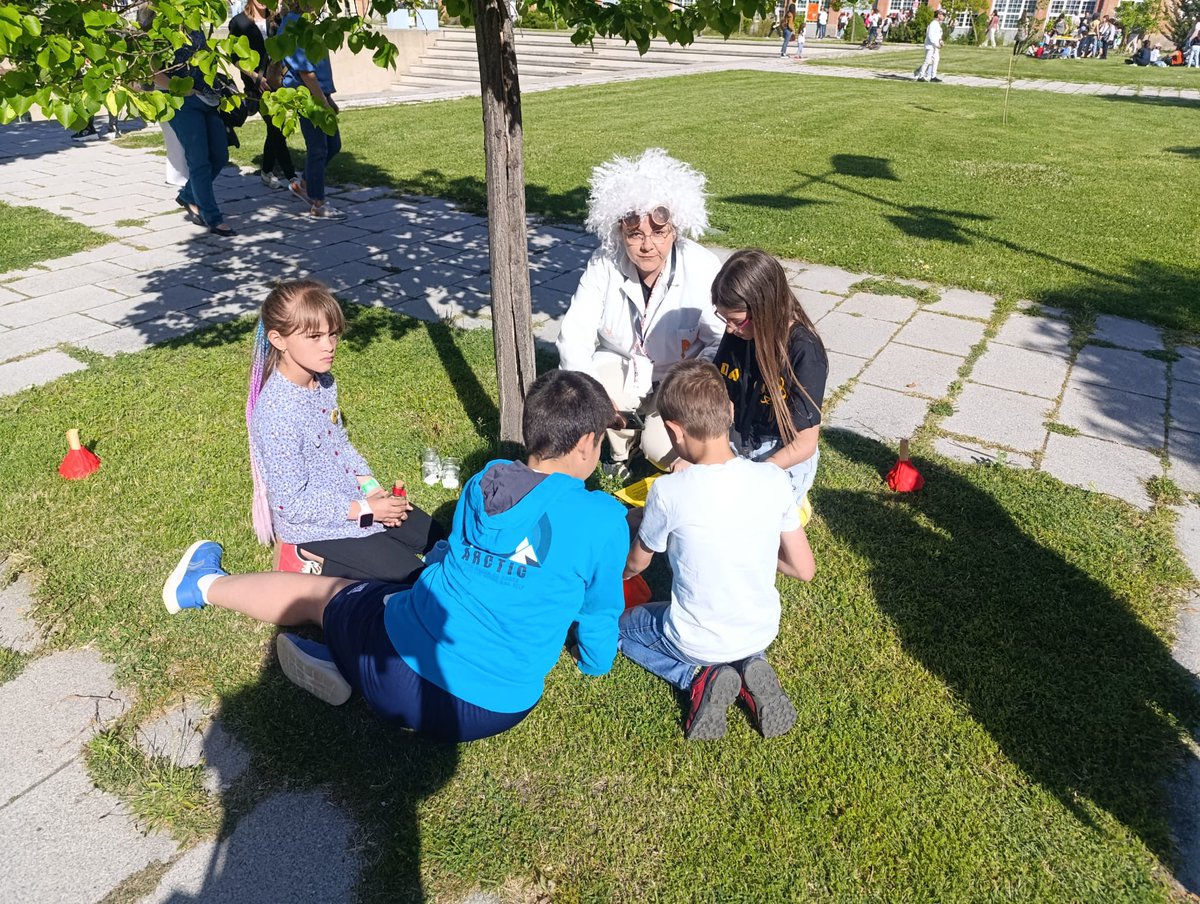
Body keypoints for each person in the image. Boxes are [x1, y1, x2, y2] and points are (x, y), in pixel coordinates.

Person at [164, 369, 630, 743]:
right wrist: (594, 663)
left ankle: (203, 584)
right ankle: (339, 658)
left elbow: (456, 556)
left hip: (399, 672)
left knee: (327, 594)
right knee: (395, 595)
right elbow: (601, 612)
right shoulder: (605, 519)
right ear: (587, 442)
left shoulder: (484, 480)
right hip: (498, 710)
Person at [619, 360, 815, 741]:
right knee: (733, 641)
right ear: (729, 411)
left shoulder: (669, 492)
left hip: (691, 639)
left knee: (619, 631)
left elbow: (637, 564)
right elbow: (804, 568)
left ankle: (697, 676)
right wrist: (749, 549)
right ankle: (749, 664)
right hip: (760, 631)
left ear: (674, 431)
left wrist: (615, 574)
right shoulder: (772, 479)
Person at [246, 279, 445, 582]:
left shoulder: (323, 382)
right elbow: (292, 504)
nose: (329, 345)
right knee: (416, 578)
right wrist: (369, 509)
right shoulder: (277, 413)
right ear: (278, 339)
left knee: (440, 540)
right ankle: (302, 555)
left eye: (333, 333)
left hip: (353, 500)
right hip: (316, 525)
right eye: (315, 336)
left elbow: (339, 445)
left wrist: (372, 489)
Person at [555, 148, 724, 481]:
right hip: (621, 366)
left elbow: (720, 340)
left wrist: (687, 387)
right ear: (620, 232)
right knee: (588, 384)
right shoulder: (603, 262)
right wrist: (595, 400)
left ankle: (651, 437)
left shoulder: (702, 267)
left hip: (680, 376)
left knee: (661, 449)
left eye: (659, 233)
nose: (648, 245)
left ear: (675, 230)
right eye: (635, 235)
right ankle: (619, 450)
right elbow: (574, 334)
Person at [710, 249, 827, 518]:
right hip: (739, 440)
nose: (729, 329)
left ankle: (794, 503)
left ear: (765, 309)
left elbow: (805, 443)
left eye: (736, 321)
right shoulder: (740, 333)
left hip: (782, 454)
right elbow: (719, 396)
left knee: (751, 522)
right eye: (723, 318)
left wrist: (758, 475)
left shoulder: (804, 351)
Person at [157, 29, 235, 236]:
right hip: (181, 102)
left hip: (207, 98)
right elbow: (152, 70)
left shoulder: (194, 21)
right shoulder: (159, 26)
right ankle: (213, 217)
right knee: (199, 160)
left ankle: (188, 195)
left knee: (219, 155)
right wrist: (180, 89)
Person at [279, 6, 345, 218]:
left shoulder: (310, 23)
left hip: (320, 94)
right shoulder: (293, 23)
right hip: (306, 95)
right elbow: (305, 71)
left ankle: (303, 184)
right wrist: (322, 100)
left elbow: (318, 65)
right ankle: (318, 204)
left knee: (333, 144)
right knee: (318, 149)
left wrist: (328, 96)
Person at [229, 0, 297, 190]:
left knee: (276, 128)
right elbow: (235, 58)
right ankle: (292, 177)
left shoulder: (277, 19)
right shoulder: (239, 22)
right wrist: (254, 76)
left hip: (278, 82)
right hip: (256, 86)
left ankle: (266, 172)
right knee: (276, 128)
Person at [914, 8, 946, 82]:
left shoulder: (938, 24)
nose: (944, 17)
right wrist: (936, 44)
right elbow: (931, 36)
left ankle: (933, 76)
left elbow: (938, 35)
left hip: (935, 46)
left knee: (936, 60)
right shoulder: (933, 24)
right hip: (930, 46)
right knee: (927, 61)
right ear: (938, 15)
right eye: (943, 15)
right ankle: (920, 75)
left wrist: (940, 41)